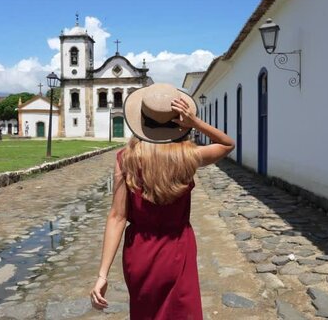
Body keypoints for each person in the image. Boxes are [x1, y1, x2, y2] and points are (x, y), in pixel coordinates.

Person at [90, 83, 234, 319]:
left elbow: (117, 217)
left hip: (140, 252)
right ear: (178, 121)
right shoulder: (188, 156)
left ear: (141, 120)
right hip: (178, 246)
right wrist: (195, 123)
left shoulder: (125, 159)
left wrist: (102, 275)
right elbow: (227, 144)